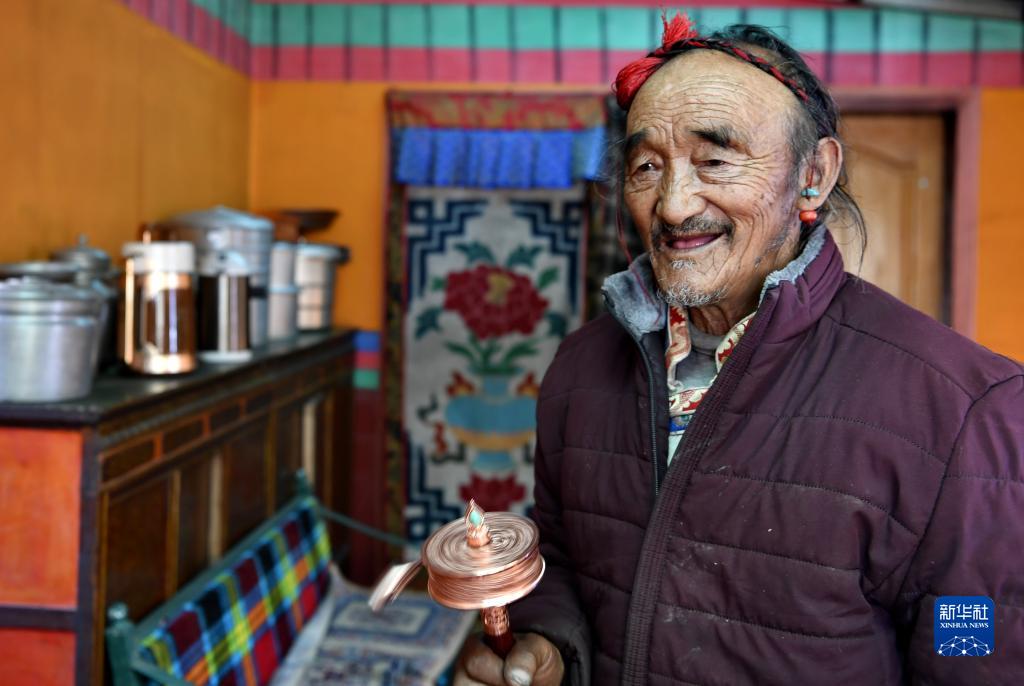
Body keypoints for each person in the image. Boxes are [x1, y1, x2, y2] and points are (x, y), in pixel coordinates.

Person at [455, 15, 1023, 686]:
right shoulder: (580, 369)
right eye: (646, 167)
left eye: (716, 160)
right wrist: (552, 645)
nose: (672, 206)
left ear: (813, 175)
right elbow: (566, 560)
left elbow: (972, 646)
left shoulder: (962, 408)